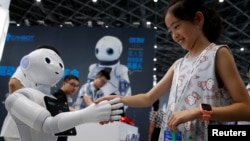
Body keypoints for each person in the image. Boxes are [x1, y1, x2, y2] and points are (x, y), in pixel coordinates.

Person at [95, 0, 250, 140]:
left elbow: (246, 109)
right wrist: (117, 99)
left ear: (198, 19)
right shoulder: (178, 64)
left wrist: (198, 112)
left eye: (177, 26)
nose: (174, 35)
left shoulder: (218, 54)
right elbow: (148, 98)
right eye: (170, 31)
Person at [3, 47, 123, 141]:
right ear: (26, 62)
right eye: (48, 60)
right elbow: (48, 124)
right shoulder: (19, 97)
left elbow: (57, 122)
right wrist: (85, 114)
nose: (56, 66)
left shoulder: (50, 98)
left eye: (60, 64)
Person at [1, 45, 61, 141]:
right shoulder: (28, 66)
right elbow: (13, 83)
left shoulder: (48, 77)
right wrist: (24, 107)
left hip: (34, 127)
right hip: (19, 126)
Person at [52, 74, 80, 141]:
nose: (74, 88)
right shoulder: (60, 96)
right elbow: (62, 112)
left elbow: (65, 108)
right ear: (64, 83)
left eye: (76, 86)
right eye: (72, 84)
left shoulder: (60, 95)